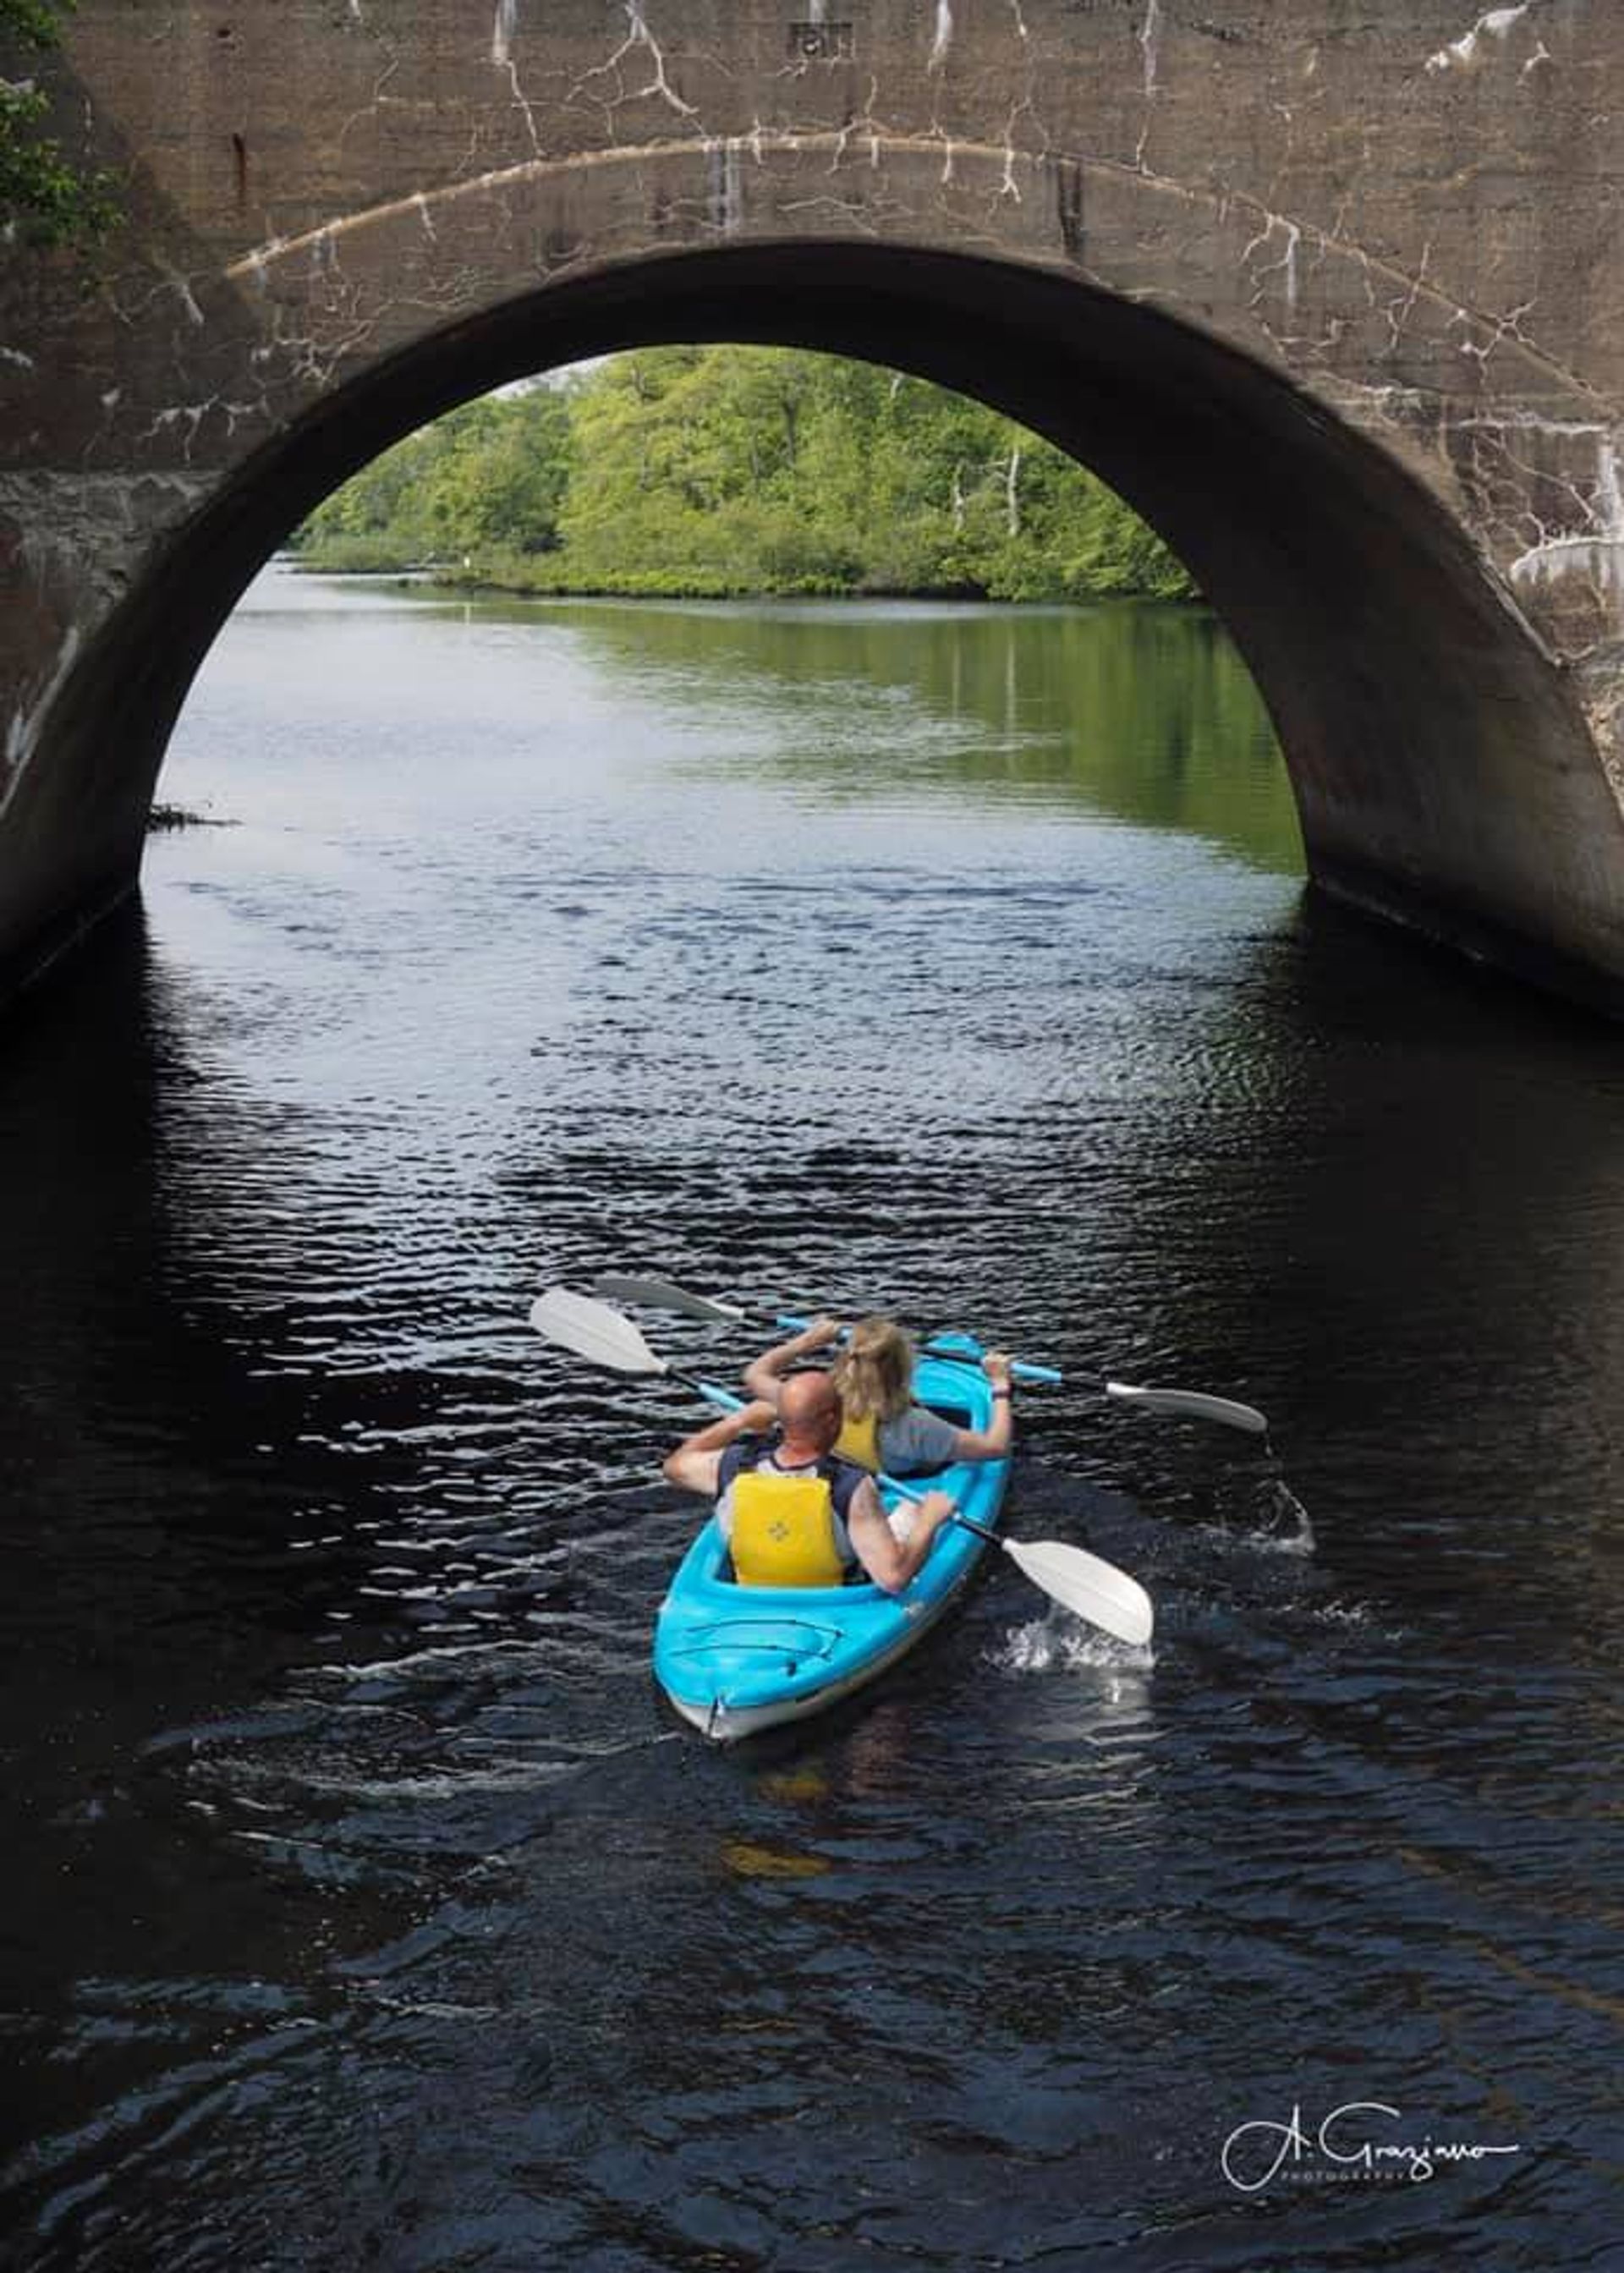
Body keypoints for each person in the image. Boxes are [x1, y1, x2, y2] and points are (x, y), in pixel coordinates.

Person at [661, 1369, 957, 1595]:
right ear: (831, 1420)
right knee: (911, 1508)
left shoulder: (731, 1465)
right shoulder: (851, 1486)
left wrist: (738, 1421)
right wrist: (930, 1521)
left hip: (750, 1593)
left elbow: (674, 1467)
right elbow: (893, 1579)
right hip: (830, 1597)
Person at [742, 1314, 1015, 1476]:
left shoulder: (810, 1402)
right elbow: (996, 1448)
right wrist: (1000, 1386)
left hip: (835, 1481)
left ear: (848, 1358)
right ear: (905, 1367)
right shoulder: (913, 1425)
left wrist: (807, 1341)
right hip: (893, 1485)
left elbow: (755, 1374)